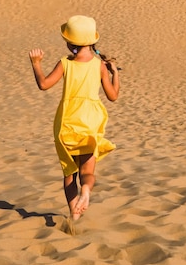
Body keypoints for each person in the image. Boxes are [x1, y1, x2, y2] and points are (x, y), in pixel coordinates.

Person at [29, 15, 119, 221]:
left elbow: (43, 84)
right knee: (87, 170)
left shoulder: (65, 63)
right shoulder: (100, 66)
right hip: (91, 121)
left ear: (70, 44)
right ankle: (86, 191)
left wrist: (36, 63)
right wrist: (115, 73)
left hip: (68, 121)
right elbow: (113, 96)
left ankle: (73, 215)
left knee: (70, 173)